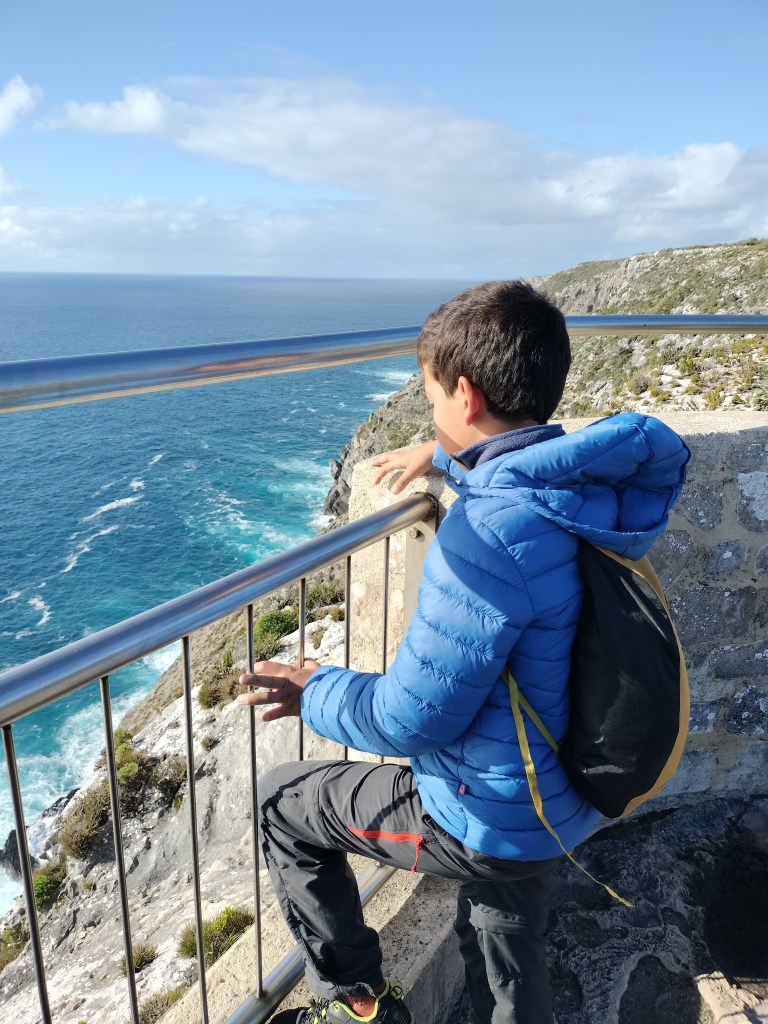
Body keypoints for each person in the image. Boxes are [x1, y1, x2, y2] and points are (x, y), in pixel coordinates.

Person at [238, 280, 689, 1024]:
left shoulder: (482, 539)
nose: (428, 410)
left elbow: (411, 719)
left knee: (282, 804)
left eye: (431, 396)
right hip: (562, 796)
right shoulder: (584, 493)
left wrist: (313, 688)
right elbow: (522, 476)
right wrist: (449, 456)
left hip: (487, 817)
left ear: (467, 396)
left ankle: (357, 997)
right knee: (507, 961)